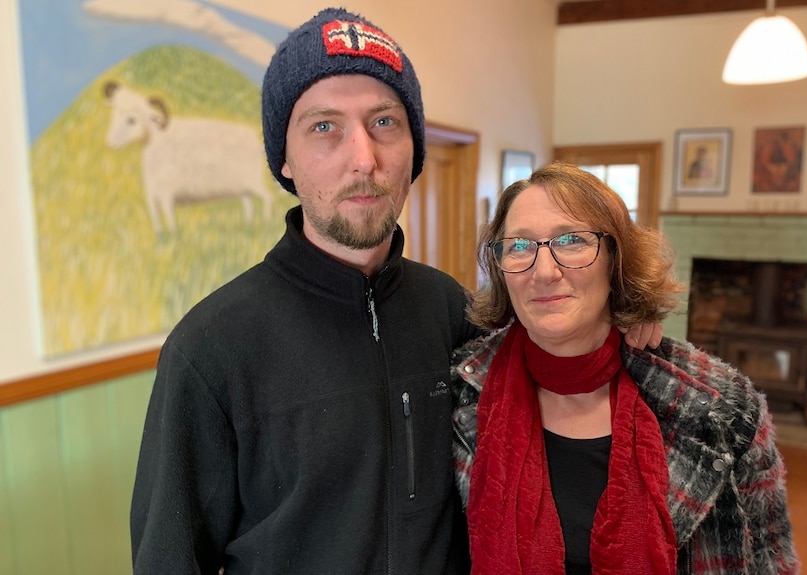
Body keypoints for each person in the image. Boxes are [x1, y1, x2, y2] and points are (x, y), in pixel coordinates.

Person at [129, 8, 660, 574]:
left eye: (384, 122)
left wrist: (623, 319)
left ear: (414, 151)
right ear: (282, 158)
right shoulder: (211, 351)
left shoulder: (452, 311)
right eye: (324, 127)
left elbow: (554, 356)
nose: (364, 159)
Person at [451, 162, 800, 575]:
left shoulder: (723, 410)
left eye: (572, 240)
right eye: (520, 246)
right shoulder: (459, 389)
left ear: (616, 259)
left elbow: (771, 563)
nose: (544, 272)